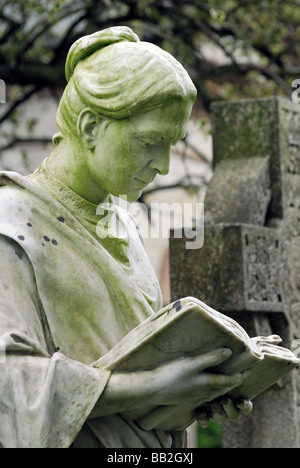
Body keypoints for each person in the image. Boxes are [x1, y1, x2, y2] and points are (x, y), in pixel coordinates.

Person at [0, 26, 252, 448]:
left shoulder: (124, 224)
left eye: (173, 144)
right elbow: (9, 388)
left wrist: (196, 393)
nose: (165, 166)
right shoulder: (12, 228)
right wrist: (154, 388)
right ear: (91, 126)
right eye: (151, 141)